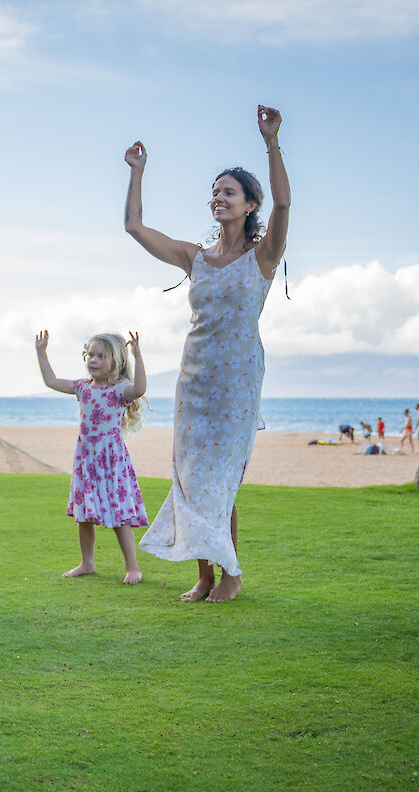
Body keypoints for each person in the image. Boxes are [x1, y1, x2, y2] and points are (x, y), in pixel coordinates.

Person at [123, 106, 290, 603]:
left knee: (218, 482)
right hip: (193, 381)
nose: (219, 197)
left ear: (249, 204)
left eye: (229, 192)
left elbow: (284, 205)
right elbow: (134, 226)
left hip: (237, 385)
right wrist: (137, 173)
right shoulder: (194, 257)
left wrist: (271, 142)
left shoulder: (263, 255)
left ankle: (231, 574)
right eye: (215, 191)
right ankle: (206, 575)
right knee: (193, 480)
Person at [35, 330, 148, 585]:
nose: (93, 360)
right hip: (86, 460)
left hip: (111, 461)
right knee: (83, 513)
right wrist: (41, 352)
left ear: (116, 362)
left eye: (100, 356)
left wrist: (138, 356)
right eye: (90, 355)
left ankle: (132, 567)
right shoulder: (82, 388)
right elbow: (51, 381)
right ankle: (87, 563)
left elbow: (139, 389)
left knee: (120, 515)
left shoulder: (120, 390)